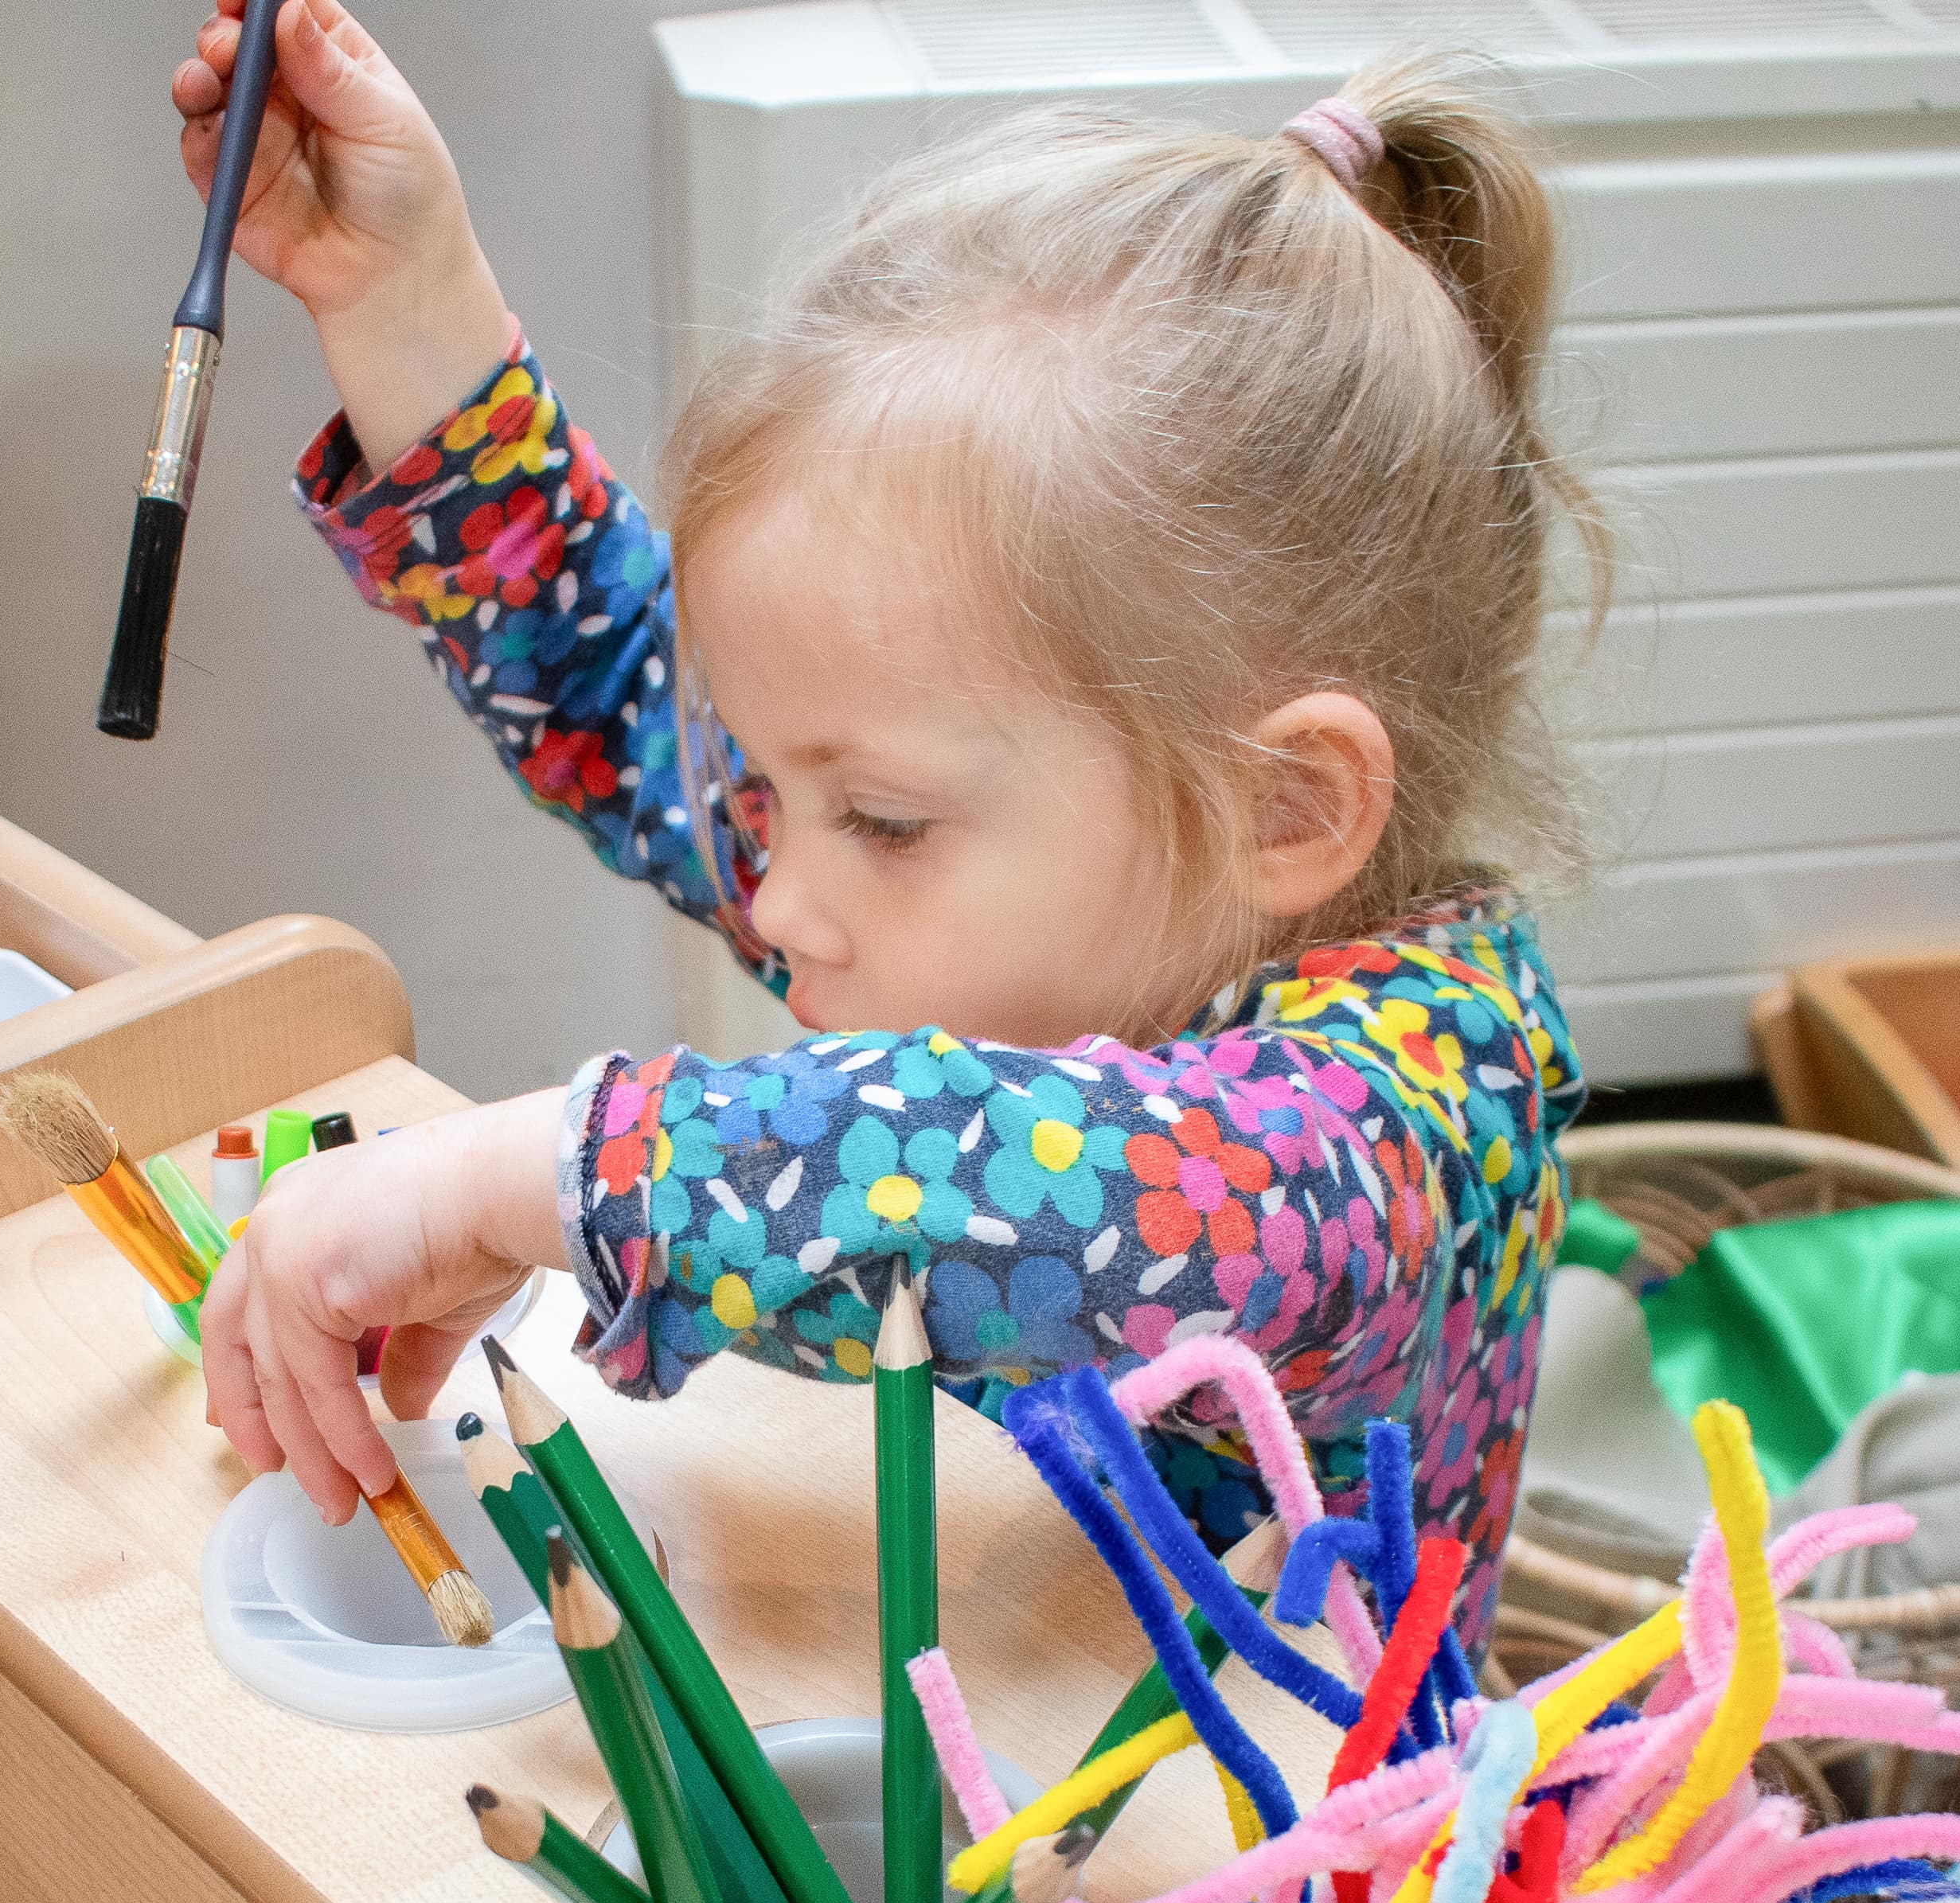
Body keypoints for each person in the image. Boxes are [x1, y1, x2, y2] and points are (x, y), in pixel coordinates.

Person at [179, 0, 1589, 1625]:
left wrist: (515, 1181)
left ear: (1282, 803)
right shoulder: (1006, 905)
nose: (777, 896)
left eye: (884, 819)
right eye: (781, 790)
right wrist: (401, 294)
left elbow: (1034, 1177)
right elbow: (619, 685)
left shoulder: (1409, 1120)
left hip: (1266, 1852)